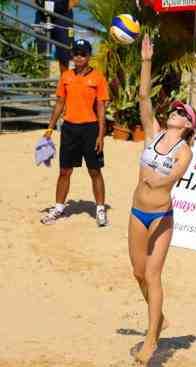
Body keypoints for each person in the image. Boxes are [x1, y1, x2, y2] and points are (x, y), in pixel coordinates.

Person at [128, 34, 196, 365]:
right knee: (138, 274)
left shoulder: (185, 150)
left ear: (187, 126)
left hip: (160, 217)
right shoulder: (154, 132)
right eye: (177, 108)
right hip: (136, 212)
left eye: (183, 112)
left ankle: (151, 339)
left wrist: (161, 178)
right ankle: (160, 318)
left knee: (153, 276)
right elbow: (143, 96)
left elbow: (176, 176)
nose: (177, 111)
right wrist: (145, 60)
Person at [40, 39, 109, 226]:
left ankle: (101, 210)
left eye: (83, 53)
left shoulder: (98, 78)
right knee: (64, 171)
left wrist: (101, 134)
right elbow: (60, 104)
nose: (79, 57)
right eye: (76, 53)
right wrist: (50, 128)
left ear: (89, 56)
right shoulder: (66, 77)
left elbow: (101, 107)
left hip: (90, 129)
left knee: (95, 170)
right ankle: (59, 208)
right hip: (69, 129)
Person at [34, 0, 79, 74]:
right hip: (42, 14)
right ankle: (42, 81)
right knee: (42, 52)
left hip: (63, 14)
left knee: (65, 52)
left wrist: (70, 4)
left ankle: (64, 81)